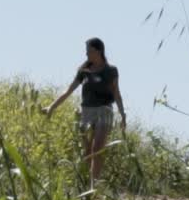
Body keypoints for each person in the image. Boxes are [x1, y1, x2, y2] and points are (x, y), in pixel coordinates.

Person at [42, 37, 126, 184]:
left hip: (104, 111)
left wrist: (123, 115)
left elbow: (117, 94)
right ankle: (91, 181)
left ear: (98, 51)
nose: (86, 54)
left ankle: (94, 185)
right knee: (88, 153)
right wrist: (52, 107)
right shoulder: (83, 71)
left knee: (97, 149)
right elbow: (68, 91)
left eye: (89, 51)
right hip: (87, 113)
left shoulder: (111, 71)